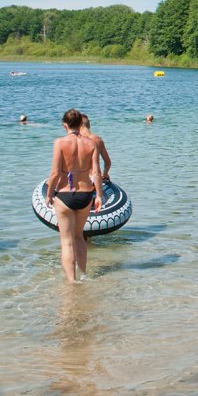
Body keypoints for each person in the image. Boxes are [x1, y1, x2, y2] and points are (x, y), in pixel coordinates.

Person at [47, 109, 104, 283]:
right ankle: (84, 274)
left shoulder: (60, 143)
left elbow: (56, 173)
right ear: (81, 124)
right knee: (79, 236)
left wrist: (49, 194)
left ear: (64, 125)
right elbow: (96, 172)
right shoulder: (91, 143)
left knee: (67, 241)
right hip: (86, 195)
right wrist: (99, 196)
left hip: (65, 195)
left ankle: (72, 281)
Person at [79, 114, 112, 183]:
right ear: (89, 125)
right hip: (95, 178)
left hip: (80, 179)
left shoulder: (73, 140)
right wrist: (105, 173)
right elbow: (108, 162)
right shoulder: (97, 139)